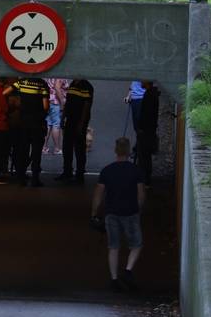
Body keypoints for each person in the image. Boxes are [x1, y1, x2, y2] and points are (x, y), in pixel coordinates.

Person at [91, 137, 146, 291]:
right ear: (129, 151)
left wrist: (94, 213)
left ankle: (114, 279)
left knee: (113, 246)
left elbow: (98, 195)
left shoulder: (107, 171)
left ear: (115, 150)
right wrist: (139, 209)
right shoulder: (136, 171)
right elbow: (141, 195)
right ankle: (128, 270)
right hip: (130, 212)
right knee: (136, 244)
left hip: (111, 213)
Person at [14, 76, 50, 187]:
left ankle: (21, 177)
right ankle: (35, 178)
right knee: (36, 152)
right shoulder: (42, 84)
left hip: (24, 123)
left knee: (23, 151)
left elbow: (10, 96)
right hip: (37, 124)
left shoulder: (21, 82)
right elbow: (45, 106)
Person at [56, 79, 94, 184]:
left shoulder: (87, 86)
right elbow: (68, 102)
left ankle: (79, 174)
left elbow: (86, 106)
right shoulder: (72, 84)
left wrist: (81, 124)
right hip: (70, 120)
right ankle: (67, 172)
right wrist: (63, 117)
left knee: (79, 149)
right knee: (66, 147)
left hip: (79, 121)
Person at [135, 80, 160, 181]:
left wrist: (141, 128)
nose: (141, 81)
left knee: (144, 157)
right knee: (145, 156)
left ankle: (144, 180)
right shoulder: (151, 94)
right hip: (148, 131)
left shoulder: (149, 95)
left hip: (146, 131)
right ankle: (145, 180)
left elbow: (147, 115)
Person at [43, 78, 67, 155]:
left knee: (48, 124)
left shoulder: (50, 73)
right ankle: (57, 148)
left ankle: (44, 147)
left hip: (48, 101)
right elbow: (57, 88)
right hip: (56, 102)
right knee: (56, 125)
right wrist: (62, 103)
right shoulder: (59, 75)